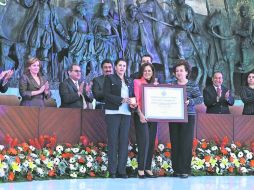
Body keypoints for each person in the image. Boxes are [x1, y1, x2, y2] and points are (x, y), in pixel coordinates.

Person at [169, 60, 203, 178]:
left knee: (186, 143)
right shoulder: (171, 84)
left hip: (188, 116)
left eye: (181, 70)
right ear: (174, 73)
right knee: (175, 142)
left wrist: (190, 102)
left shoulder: (193, 84)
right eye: (177, 71)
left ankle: (185, 170)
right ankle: (176, 170)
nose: (179, 73)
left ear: (186, 72)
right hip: (173, 117)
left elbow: (200, 98)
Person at [103, 58, 136, 178]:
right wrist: (122, 100)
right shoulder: (109, 78)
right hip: (112, 112)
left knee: (123, 142)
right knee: (113, 141)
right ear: (115, 67)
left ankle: (121, 170)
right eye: (120, 65)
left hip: (126, 113)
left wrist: (133, 103)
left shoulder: (128, 80)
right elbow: (106, 95)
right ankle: (112, 171)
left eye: (124, 66)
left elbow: (132, 96)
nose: (122, 68)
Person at [133, 63, 158, 178]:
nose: (147, 72)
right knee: (144, 142)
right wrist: (140, 114)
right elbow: (136, 100)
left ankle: (148, 168)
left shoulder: (155, 84)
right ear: (142, 72)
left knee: (151, 142)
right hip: (141, 116)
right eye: (145, 71)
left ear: (153, 72)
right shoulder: (137, 82)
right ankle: (140, 169)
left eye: (149, 71)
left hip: (153, 117)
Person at [234, 5, 253, 71]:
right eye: (241, 11)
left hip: (247, 37)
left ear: (247, 11)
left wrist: (238, 32)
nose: (242, 12)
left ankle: (244, 64)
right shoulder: (241, 19)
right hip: (240, 36)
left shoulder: (249, 20)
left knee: (243, 45)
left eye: (244, 11)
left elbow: (248, 32)